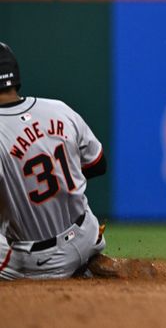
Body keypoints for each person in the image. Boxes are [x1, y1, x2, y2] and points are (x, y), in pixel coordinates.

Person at [0, 42, 153, 280]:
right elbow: (98, 164)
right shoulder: (59, 109)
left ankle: (62, 270)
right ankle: (86, 264)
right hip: (87, 236)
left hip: (41, 261)